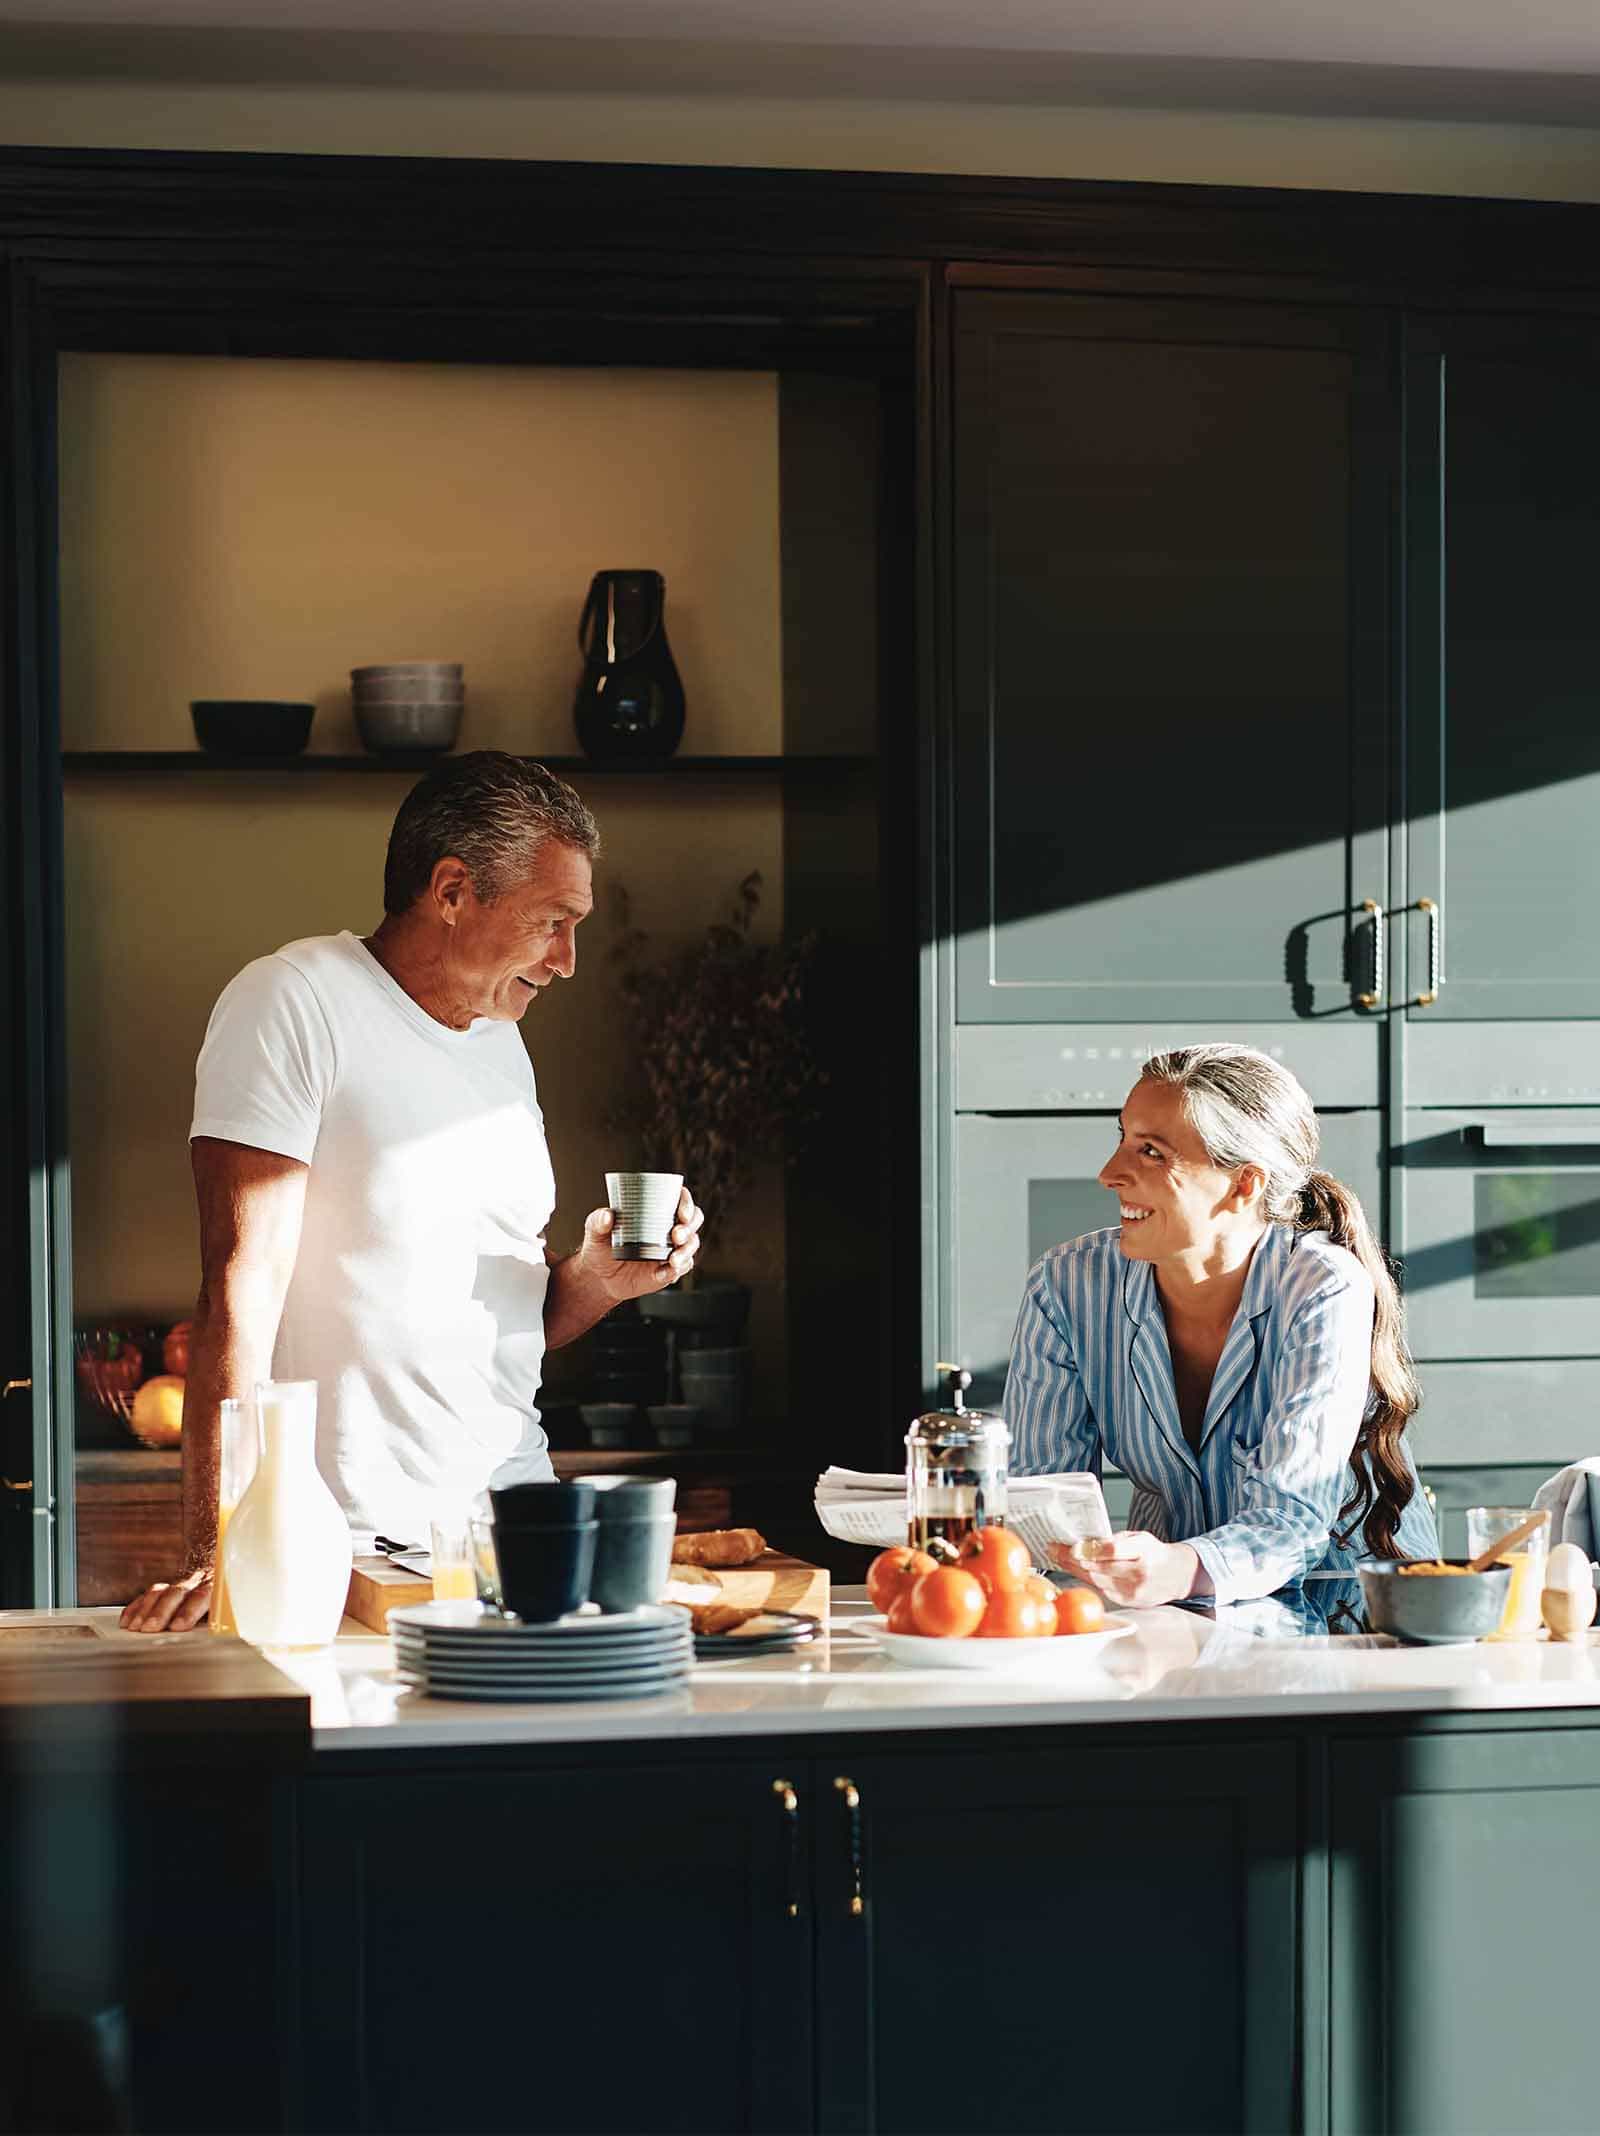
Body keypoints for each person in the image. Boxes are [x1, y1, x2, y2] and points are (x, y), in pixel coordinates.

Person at [121, 752, 702, 1632]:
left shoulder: (501, 1044)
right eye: (553, 921)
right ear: (453, 889)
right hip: (343, 1548)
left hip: (514, 1532)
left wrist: (596, 1279)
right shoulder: (295, 1001)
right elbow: (237, 1290)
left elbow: (495, 1324)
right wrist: (222, 1552)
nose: (569, 960)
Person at [1006, 1042, 1437, 1609]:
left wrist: (1180, 1568)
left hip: (1349, 1604)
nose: (1110, 1173)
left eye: (1153, 1152)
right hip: (1172, 1607)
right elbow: (1039, 1505)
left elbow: (1292, 1517)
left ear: (1244, 1185)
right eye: (1122, 1140)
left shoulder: (1321, 1286)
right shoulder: (1067, 1284)